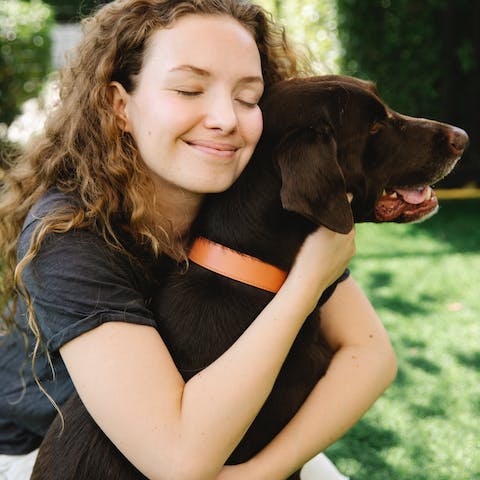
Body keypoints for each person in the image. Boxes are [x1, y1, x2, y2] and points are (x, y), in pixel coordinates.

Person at [0, 1, 397, 479]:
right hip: (54, 452)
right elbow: (179, 460)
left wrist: (262, 472)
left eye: (249, 98)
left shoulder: (239, 188)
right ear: (119, 105)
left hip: (222, 436)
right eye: (189, 89)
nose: (225, 119)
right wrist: (308, 279)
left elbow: (369, 352)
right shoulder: (67, 236)